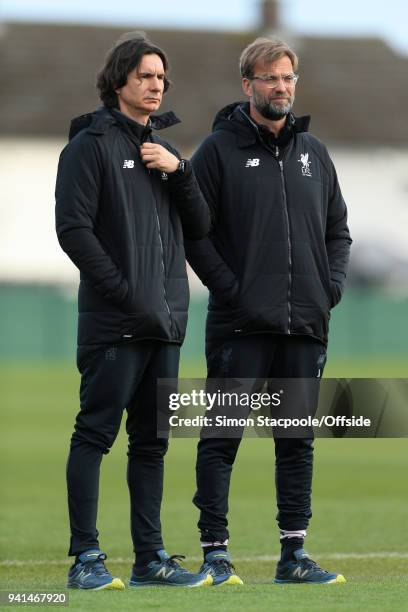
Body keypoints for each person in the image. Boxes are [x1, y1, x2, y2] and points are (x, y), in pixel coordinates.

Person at [185, 37, 352, 585]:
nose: (281, 87)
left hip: (304, 324)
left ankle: (293, 556)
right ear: (247, 85)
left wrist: (328, 288)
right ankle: (215, 551)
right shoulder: (216, 151)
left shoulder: (315, 155)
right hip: (240, 323)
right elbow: (197, 234)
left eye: (288, 78)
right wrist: (231, 289)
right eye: (270, 79)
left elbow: (336, 232)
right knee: (222, 437)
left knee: (296, 441)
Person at [55, 32, 211, 590]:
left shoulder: (164, 154)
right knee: (94, 435)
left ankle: (151, 560)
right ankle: (86, 558)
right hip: (116, 321)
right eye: (145, 75)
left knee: (152, 444)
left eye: (161, 77)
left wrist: (180, 169)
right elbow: (72, 230)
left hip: (166, 324)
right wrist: (123, 291)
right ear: (119, 80)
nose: (155, 84)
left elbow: (200, 227)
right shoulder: (88, 146)